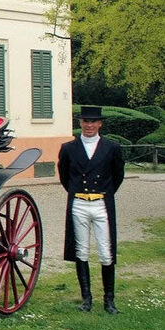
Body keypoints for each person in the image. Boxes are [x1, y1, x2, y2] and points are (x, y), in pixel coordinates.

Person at [58, 105, 126, 314]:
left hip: (101, 204)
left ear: (100, 124)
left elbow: (117, 175)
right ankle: (86, 299)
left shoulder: (112, 147)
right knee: (82, 251)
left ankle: (109, 300)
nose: (89, 125)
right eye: (85, 121)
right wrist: (77, 192)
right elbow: (64, 175)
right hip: (79, 203)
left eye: (93, 122)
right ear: (80, 123)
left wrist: (104, 192)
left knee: (106, 252)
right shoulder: (69, 148)